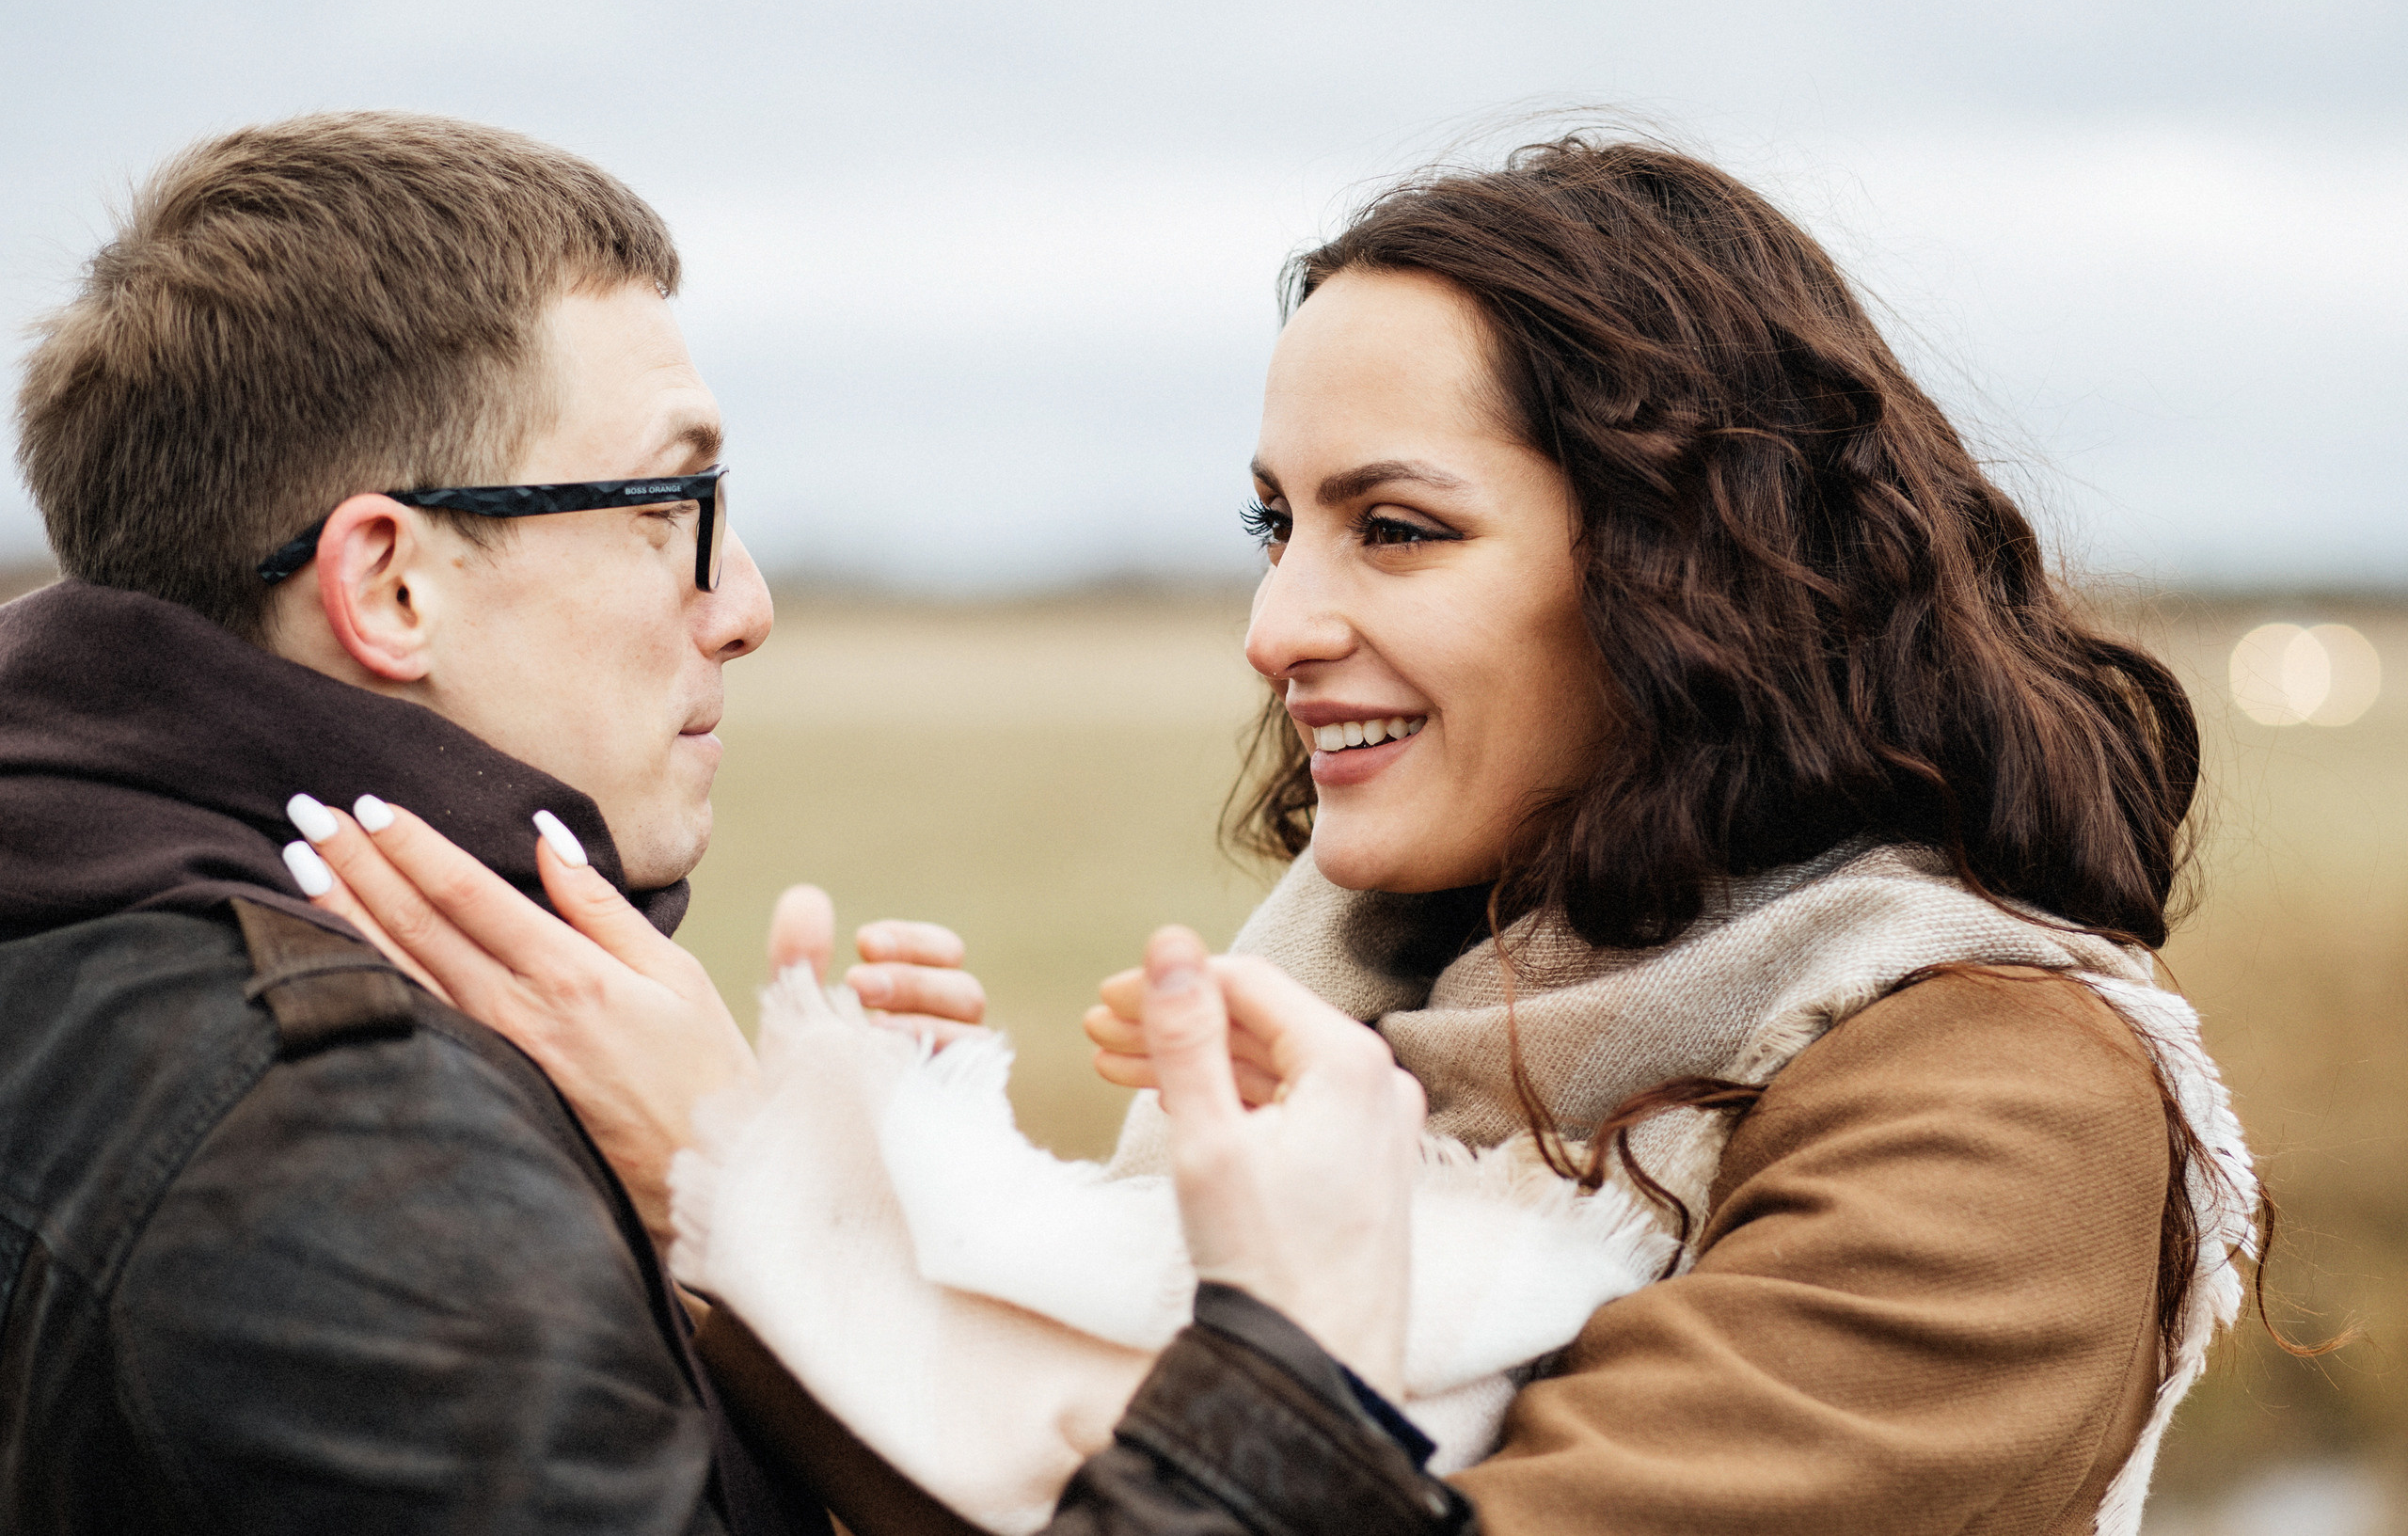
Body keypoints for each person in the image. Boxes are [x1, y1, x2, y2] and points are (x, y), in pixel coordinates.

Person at [306, 134, 2269, 1536]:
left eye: (1391, 525)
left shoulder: (1996, 1089)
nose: (1275, 623)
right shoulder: (1364, 996)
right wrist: (915, 1189)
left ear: (1692, 568)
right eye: (1275, 522)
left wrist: (752, 1166)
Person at [0, 107, 1446, 1536]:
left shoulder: (109, 927)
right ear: (390, 585)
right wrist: (1298, 1386)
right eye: (669, 501)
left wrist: (850, 1226)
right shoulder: (343, 1146)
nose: (743, 605)